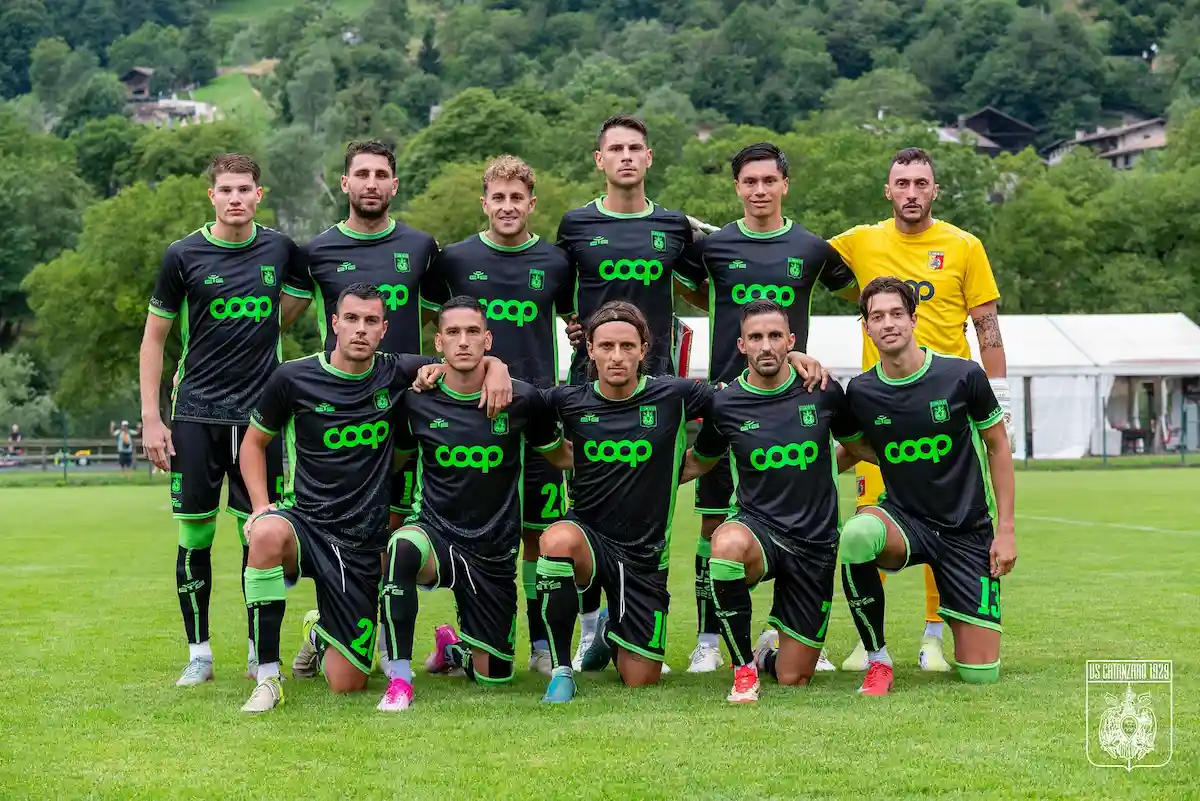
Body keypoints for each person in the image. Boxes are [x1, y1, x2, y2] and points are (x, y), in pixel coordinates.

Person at [533, 300, 828, 703]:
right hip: (590, 540)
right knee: (556, 539)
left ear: (643, 349)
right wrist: (492, 371)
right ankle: (562, 670)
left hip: (644, 559)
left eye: (626, 346)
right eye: (606, 346)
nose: (616, 356)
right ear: (591, 350)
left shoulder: (675, 393)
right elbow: (525, 405)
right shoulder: (568, 399)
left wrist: (790, 357)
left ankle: (610, 630)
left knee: (640, 679)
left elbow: (739, 393)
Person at [235, 284, 512, 712]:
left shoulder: (398, 371)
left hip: (362, 542)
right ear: (335, 323)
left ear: (384, 329)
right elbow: (253, 444)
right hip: (306, 522)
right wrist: (259, 506)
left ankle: (319, 633)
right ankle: (267, 677)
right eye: (351, 319)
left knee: (347, 683)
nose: (360, 329)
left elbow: (463, 360)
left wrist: (497, 367)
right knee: (266, 534)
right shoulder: (292, 377)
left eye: (370, 321)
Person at [673, 141, 858, 675]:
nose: (759, 190)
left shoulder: (812, 248)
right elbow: (690, 293)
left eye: (768, 181)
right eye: (749, 182)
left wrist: (799, 355)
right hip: (727, 403)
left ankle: (784, 631)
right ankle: (709, 639)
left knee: (796, 520)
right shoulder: (714, 247)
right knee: (714, 524)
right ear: (737, 187)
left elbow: (858, 292)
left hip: (791, 402)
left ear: (785, 185)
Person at [829, 146, 1015, 673]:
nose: (911, 193)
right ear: (887, 191)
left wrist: (1001, 400)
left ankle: (935, 633)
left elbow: (987, 326)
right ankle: (870, 641)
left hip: (949, 408)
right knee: (868, 522)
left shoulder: (963, 245)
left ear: (935, 190)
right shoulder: (861, 241)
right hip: (882, 412)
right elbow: (799, 264)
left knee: (949, 514)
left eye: (921, 184)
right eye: (902, 184)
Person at [139, 153, 307, 687]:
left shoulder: (280, 250)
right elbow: (154, 339)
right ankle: (200, 654)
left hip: (260, 418)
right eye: (226, 190)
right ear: (212, 196)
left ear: (259, 195)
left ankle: (260, 653)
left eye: (245, 189)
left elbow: (295, 301)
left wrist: (263, 336)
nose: (236, 198)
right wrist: (151, 418)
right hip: (194, 414)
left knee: (258, 532)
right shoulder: (183, 255)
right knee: (195, 535)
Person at [554, 114, 708, 671]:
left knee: (651, 510)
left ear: (648, 157)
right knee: (587, 502)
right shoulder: (575, 224)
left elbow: (703, 288)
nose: (625, 156)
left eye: (634, 148)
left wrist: (706, 234)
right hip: (589, 384)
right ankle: (590, 630)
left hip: (656, 385)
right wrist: (574, 322)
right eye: (614, 148)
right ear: (600, 160)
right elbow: (555, 287)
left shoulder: (673, 226)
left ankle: (638, 622)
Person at [376, 296, 573, 711]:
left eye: (472, 332)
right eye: (453, 332)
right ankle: (399, 679)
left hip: (493, 554)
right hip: (436, 536)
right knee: (402, 547)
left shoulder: (523, 400)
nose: (463, 341)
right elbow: (394, 463)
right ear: (439, 342)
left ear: (488, 340)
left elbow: (560, 456)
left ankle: (452, 648)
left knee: (494, 678)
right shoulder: (415, 401)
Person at [423, 155, 576, 677]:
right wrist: (434, 369)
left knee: (539, 536)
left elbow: (577, 324)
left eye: (517, 198)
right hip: (469, 421)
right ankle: (466, 636)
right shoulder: (454, 260)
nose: (507, 207)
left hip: (534, 417)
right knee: (471, 533)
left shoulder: (557, 262)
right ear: (484, 203)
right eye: (498, 198)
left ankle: (542, 644)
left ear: (532, 203)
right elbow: (431, 325)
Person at [835, 276, 1016, 695]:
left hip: (966, 530)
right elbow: (852, 449)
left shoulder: (962, 375)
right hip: (905, 521)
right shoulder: (861, 391)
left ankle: (958, 613)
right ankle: (877, 659)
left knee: (980, 673)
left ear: (914, 319)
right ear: (866, 327)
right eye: (877, 316)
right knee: (857, 534)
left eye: (897, 313)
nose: (888, 323)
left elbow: (997, 445)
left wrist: (1005, 530)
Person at [678, 299, 864, 703]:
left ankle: (766, 654)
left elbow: (858, 446)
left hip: (814, 543)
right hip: (757, 530)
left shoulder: (822, 391)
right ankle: (743, 669)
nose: (766, 345)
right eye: (756, 337)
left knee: (794, 677)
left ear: (791, 342)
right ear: (741, 345)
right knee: (725, 546)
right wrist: (639, 477)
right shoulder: (725, 404)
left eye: (775, 336)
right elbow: (698, 462)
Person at [281, 141, 441, 534]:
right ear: (344, 183)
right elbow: (273, 324)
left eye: (381, 175)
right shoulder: (315, 251)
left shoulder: (421, 247)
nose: (372, 183)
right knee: (334, 523)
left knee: (397, 529)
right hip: (340, 408)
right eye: (362, 174)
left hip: (405, 403)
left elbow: (440, 321)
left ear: (394, 185)